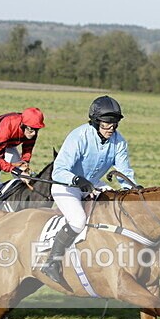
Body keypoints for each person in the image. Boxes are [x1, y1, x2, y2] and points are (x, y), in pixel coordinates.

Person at [42, 95, 139, 288]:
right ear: (95, 121)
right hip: (66, 186)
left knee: (115, 211)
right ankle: (52, 262)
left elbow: (123, 172)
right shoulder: (79, 136)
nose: (111, 127)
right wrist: (77, 180)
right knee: (78, 220)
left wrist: (133, 190)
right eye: (107, 123)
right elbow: (59, 170)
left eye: (115, 123)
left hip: (93, 186)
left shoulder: (119, 142)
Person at [0, 108, 45, 201]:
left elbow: (27, 149)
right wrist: (14, 170)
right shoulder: (7, 128)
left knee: (23, 178)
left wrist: (24, 163)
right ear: (22, 125)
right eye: (31, 129)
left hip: (8, 143)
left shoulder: (31, 128)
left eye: (37, 130)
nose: (33, 133)